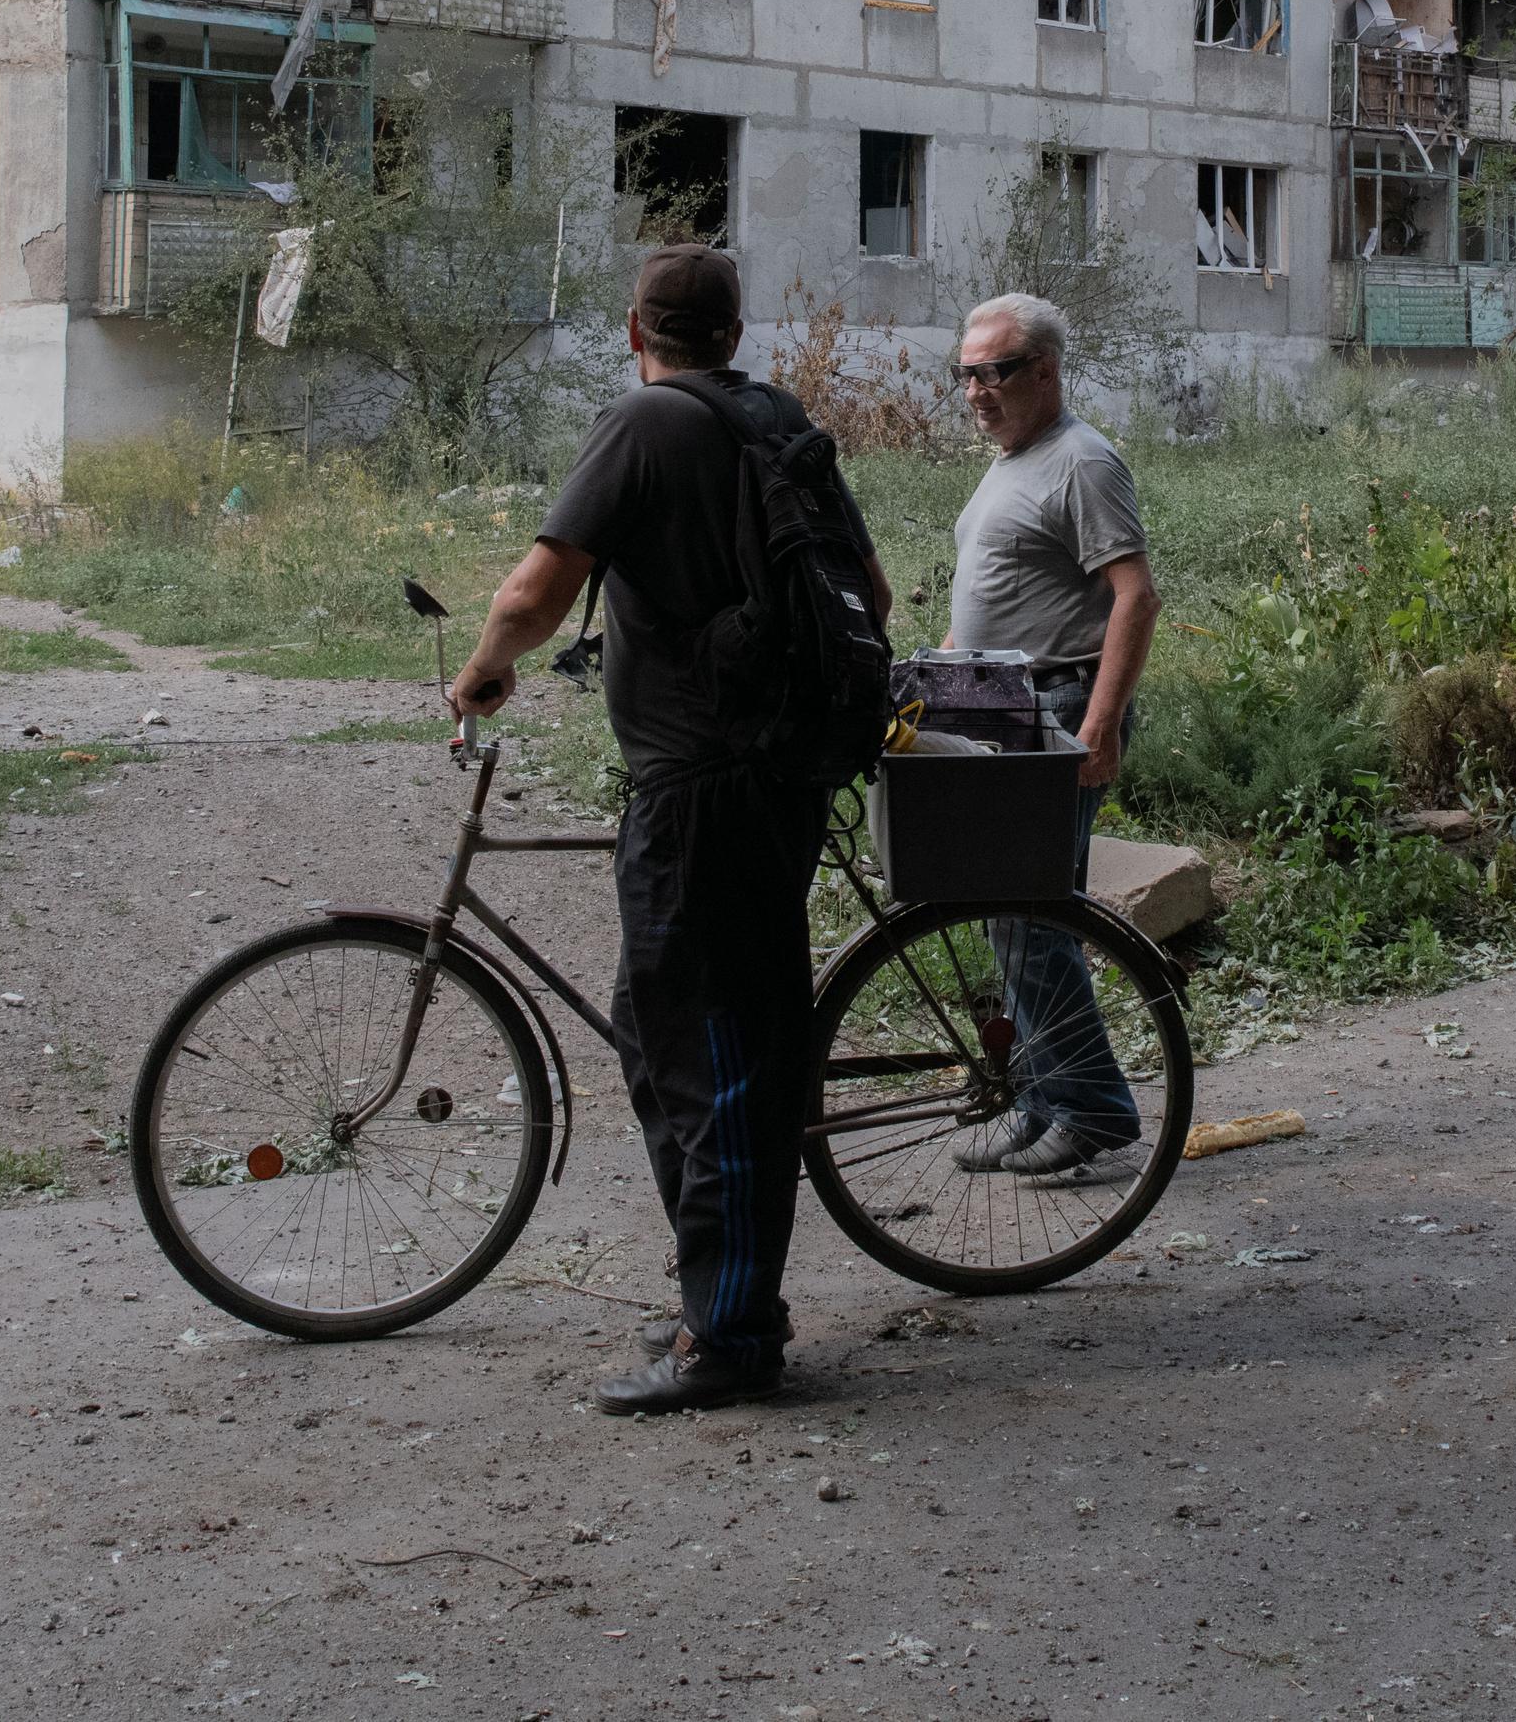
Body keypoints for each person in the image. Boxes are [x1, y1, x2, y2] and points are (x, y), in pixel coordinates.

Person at [443, 245, 890, 1416]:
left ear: (634, 330)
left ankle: (736, 1336)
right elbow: (874, 594)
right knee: (659, 1030)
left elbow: (532, 594)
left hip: (705, 788)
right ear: (734, 333)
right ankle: (715, 1296)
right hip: (766, 776)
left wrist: (483, 672)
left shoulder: (645, 423)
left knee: (721, 1056)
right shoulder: (769, 417)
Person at [940, 295, 1161, 1177]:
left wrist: (1099, 726)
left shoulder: (1082, 462)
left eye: (993, 372)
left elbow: (1135, 598)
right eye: (965, 374)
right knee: (1012, 914)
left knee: (1034, 920)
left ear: (1044, 372)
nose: (976, 392)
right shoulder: (1014, 461)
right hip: (1005, 710)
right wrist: (937, 671)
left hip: (1059, 709)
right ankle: (1040, 1101)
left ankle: (1091, 1107)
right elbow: (999, 599)